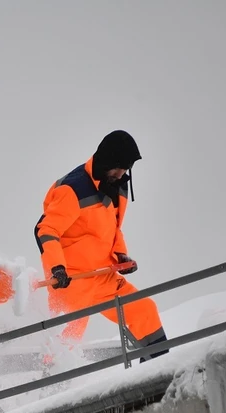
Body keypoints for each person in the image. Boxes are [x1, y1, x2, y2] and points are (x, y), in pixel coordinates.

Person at [34, 130, 168, 362]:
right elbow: (46, 230)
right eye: (117, 168)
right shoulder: (72, 189)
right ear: (105, 161)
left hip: (103, 275)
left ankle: (159, 368)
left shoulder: (118, 185)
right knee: (67, 338)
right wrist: (57, 268)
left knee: (144, 309)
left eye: (125, 169)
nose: (121, 174)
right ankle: (47, 377)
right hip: (71, 280)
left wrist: (120, 255)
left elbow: (112, 227)